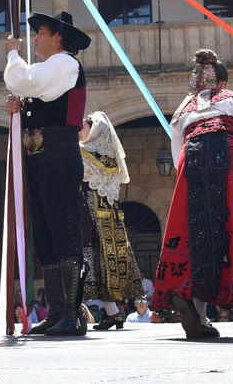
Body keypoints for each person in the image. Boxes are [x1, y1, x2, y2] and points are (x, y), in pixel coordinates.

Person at [153, 49, 233, 340]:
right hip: (228, 156)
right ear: (222, 82)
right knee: (225, 230)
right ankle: (200, 313)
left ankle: (193, 305)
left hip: (192, 159)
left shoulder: (184, 107)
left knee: (195, 233)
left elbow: (176, 149)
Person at [4, 11, 91, 336]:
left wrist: (13, 52)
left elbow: (23, 79)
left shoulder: (64, 63)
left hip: (57, 154)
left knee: (64, 230)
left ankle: (72, 313)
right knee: (46, 234)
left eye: (40, 32)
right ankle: (57, 311)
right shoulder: (52, 69)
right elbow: (32, 94)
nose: (34, 38)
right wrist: (19, 110)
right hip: (40, 156)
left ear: (58, 36)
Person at [77, 111, 143, 330]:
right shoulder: (85, 151)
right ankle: (112, 313)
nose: (78, 132)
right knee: (93, 260)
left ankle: (105, 313)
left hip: (99, 211)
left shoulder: (98, 153)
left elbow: (102, 175)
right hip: (89, 210)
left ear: (94, 130)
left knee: (100, 260)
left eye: (82, 128)